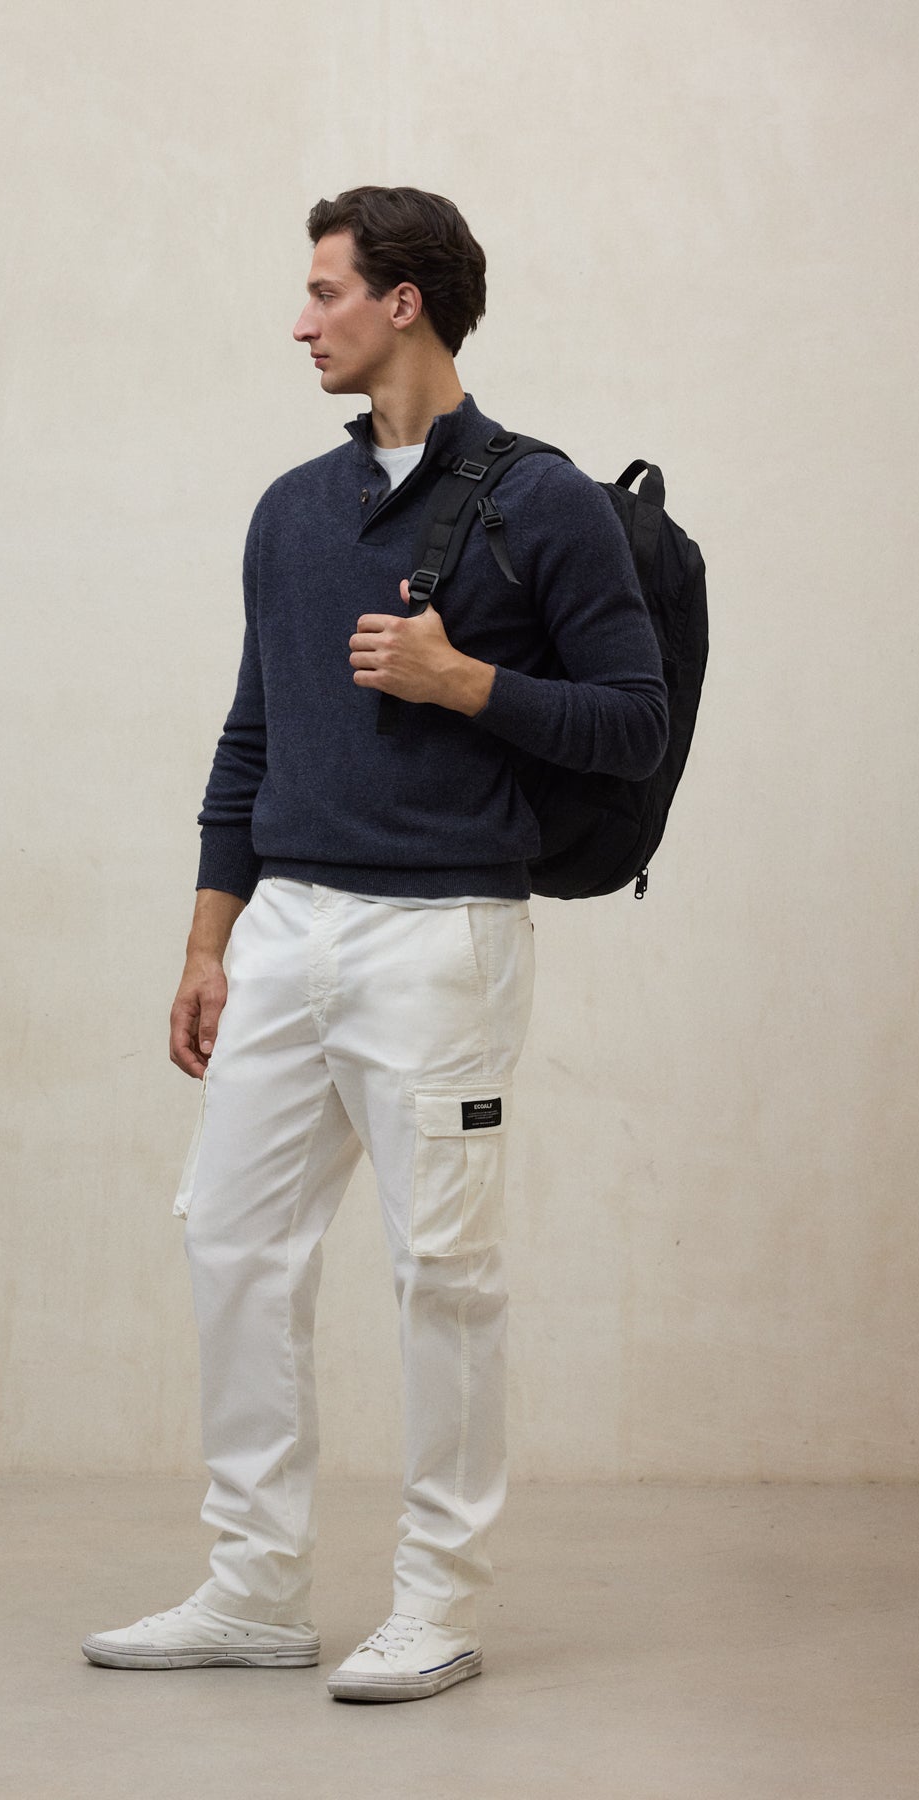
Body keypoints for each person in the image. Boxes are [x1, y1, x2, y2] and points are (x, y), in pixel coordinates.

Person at [83, 185, 667, 1703]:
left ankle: (437, 1602)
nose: (302, 322)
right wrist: (208, 941)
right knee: (231, 1240)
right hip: (288, 923)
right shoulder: (293, 509)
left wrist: (464, 682)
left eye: (325, 291)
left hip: (444, 937)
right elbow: (251, 733)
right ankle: (254, 1587)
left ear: (403, 302)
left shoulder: (546, 504)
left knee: (443, 1273)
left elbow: (633, 722)